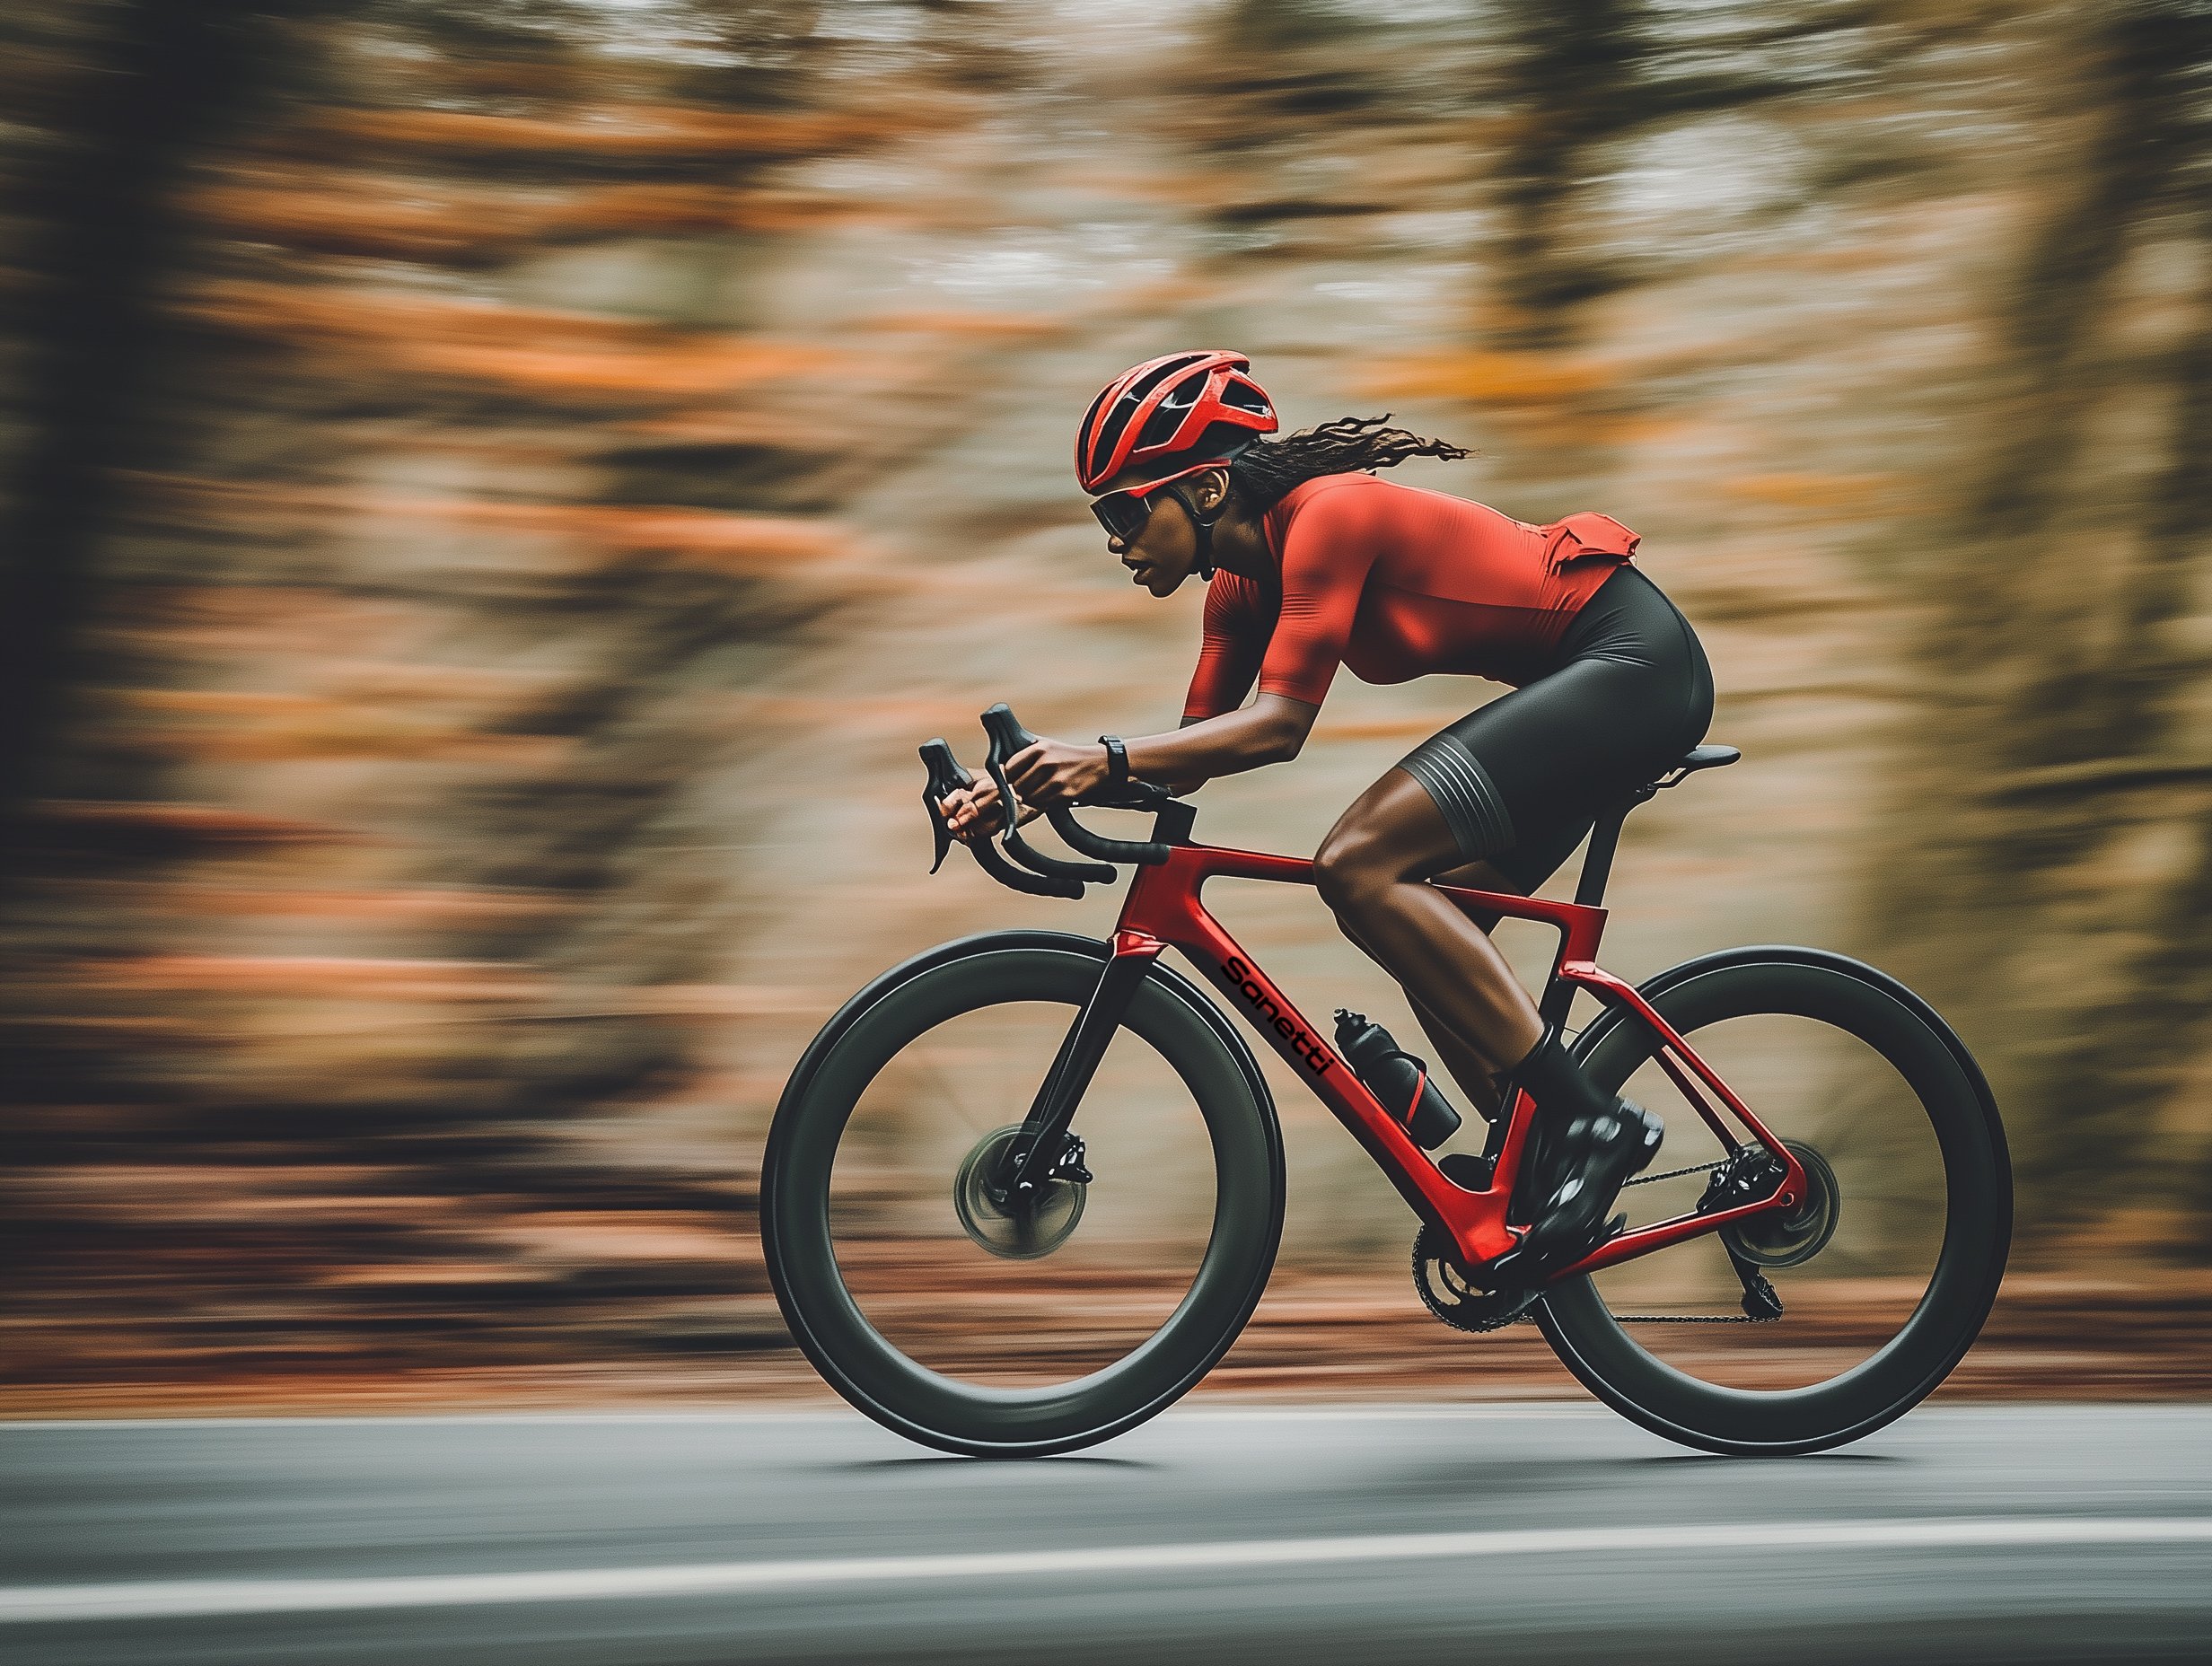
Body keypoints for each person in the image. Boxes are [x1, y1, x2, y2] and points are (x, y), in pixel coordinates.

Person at [941, 350, 1714, 1275]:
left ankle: (1596, 1118)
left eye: (1124, 508)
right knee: (1434, 927)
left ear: (1206, 487)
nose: (1114, 537)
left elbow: (1274, 730)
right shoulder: (1237, 586)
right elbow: (1190, 754)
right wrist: (1020, 787)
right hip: (1580, 684)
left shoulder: (1329, 517)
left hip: (1631, 664)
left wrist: (1092, 758)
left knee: (1357, 862)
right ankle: (1538, 1161)